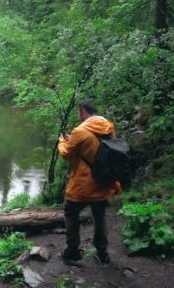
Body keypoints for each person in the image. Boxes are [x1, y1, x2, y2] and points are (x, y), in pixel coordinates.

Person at [58, 101, 122, 264]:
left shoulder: (80, 131)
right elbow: (96, 148)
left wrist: (63, 142)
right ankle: (102, 252)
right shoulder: (109, 127)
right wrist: (73, 140)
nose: (79, 116)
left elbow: (66, 154)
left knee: (71, 213)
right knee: (99, 216)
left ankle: (73, 251)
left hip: (82, 184)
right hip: (103, 182)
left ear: (83, 111)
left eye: (79, 113)